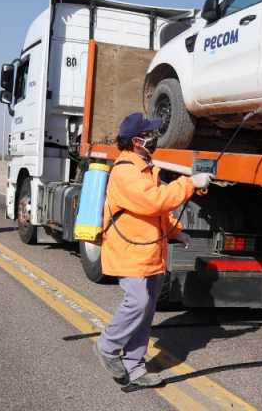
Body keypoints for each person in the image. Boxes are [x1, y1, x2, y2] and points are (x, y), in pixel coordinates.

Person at [92, 113, 212, 389]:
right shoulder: (125, 171)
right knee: (137, 303)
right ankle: (107, 346)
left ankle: (134, 367)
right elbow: (152, 201)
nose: (155, 137)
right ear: (136, 140)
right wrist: (189, 183)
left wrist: (175, 232)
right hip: (130, 251)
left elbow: (157, 214)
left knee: (146, 312)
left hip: (150, 252)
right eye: (150, 134)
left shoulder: (145, 167)